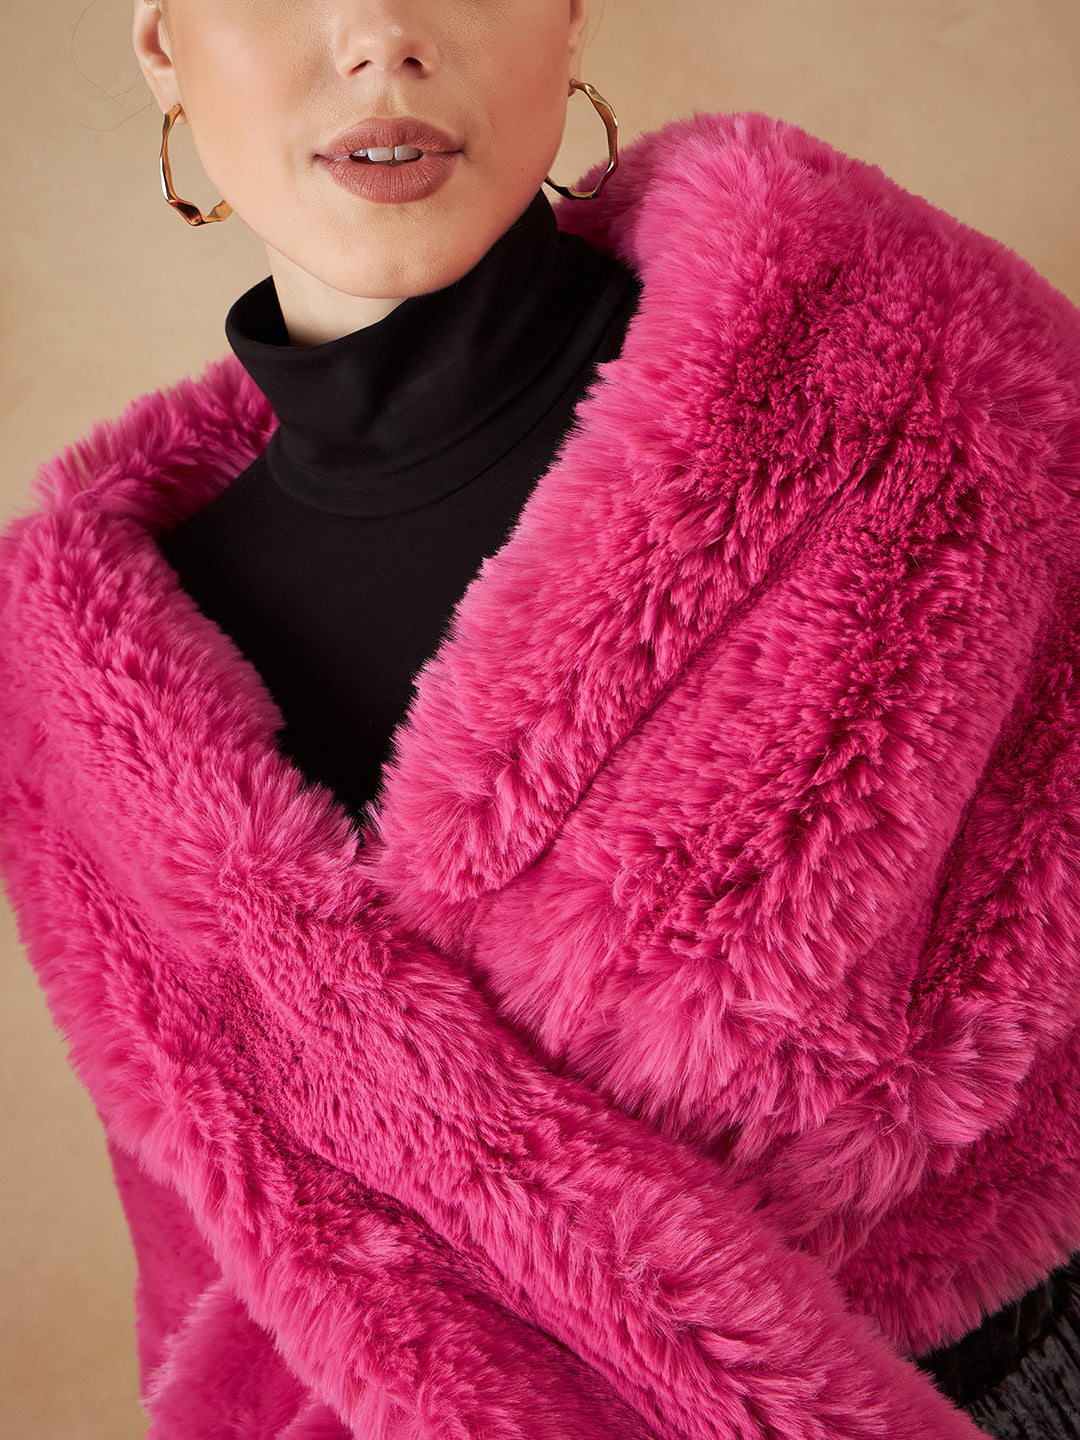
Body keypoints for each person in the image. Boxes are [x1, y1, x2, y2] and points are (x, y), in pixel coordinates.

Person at [1, 0, 1079, 1435]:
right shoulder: (80, 693)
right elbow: (214, 1271)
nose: (380, 35)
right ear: (163, 50)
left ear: (566, 17)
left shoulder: (941, 395)